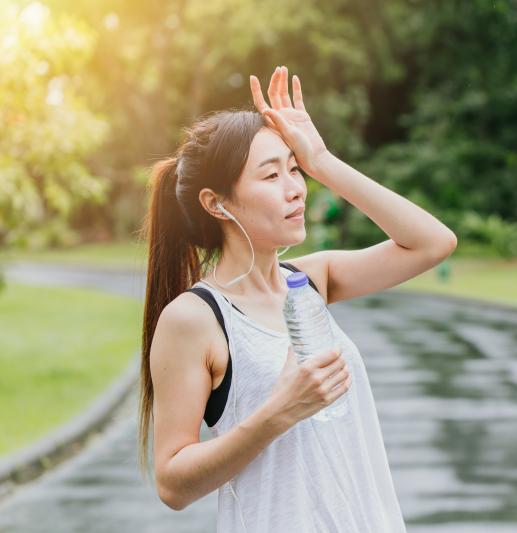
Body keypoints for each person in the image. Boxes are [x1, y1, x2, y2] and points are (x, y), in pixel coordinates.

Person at [137, 65, 457, 532]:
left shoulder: (312, 279)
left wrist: (323, 160)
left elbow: (433, 243)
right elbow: (172, 481)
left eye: (295, 169)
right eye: (271, 176)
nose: (295, 190)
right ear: (216, 203)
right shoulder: (194, 319)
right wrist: (277, 412)